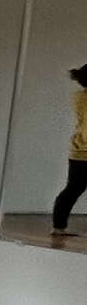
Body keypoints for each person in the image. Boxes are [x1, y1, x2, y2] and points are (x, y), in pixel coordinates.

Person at [55, 63, 87, 237]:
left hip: (78, 151)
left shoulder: (79, 97)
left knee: (72, 189)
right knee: (73, 190)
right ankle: (58, 227)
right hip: (84, 152)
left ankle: (58, 227)